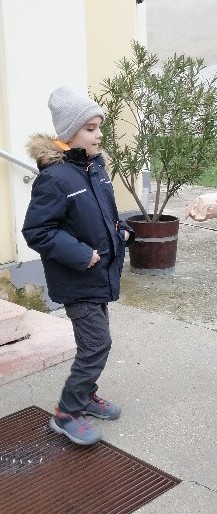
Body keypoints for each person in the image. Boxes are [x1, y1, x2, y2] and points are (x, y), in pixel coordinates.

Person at [22, 85, 132, 446]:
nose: (98, 135)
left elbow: (106, 213)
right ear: (69, 133)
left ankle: (85, 395)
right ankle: (67, 412)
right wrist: (82, 254)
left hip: (99, 275)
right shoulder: (55, 178)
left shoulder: (94, 167)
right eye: (90, 128)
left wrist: (122, 229)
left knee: (95, 343)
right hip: (78, 277)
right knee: (97, 345)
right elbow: (37, 231)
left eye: (99, 127)